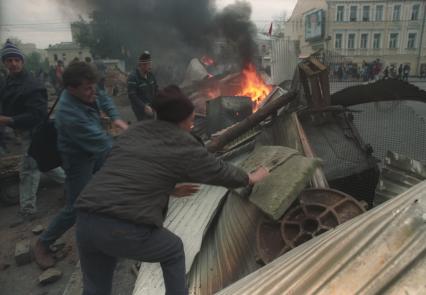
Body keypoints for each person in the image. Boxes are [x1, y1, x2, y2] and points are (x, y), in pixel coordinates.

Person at [74, 85, 269, 295]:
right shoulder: (181, 142)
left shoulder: (136, 132)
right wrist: (250, 178)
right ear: (181, 120)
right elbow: (218, 171)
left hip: (86, 219)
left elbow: (128, 170)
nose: (193, 124)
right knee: (173, 249)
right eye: (191, 119)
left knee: (95, 289)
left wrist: (168, 189)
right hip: (120, 227)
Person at [33, 62, 128, 269]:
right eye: (87, 88)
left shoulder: (88, 89)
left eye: (92, 85)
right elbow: (102, 142)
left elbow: (103, 97)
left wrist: (116, 118)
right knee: (76, 207)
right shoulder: (69, 114)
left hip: (95, 149)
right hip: (78, 158)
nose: (92, 90)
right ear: (71, 88)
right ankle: (43, 243)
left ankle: (111, 235)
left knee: (110, 187)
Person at [0, 40, 65, 217]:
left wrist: (8, 120)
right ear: (4, 63)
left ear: (22, 61)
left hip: (35, 132)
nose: (13, 63)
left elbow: (36, 115)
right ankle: (72, 183)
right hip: (20, 132)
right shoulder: (8, 82)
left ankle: (28, 210)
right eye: (9, 60)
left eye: (16, 60)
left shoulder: (33, 85)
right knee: (45, 164)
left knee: (28, 170)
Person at [127, 50, 158, 121]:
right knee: (145, 127)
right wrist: (144, 107)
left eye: (150, 64)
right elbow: (132, 95)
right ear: (142, 65)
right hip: (140, 109)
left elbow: (156, 89)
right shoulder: (133, 77)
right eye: (148, 64)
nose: (150, 66)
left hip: (151, 107)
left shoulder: (151, 75)